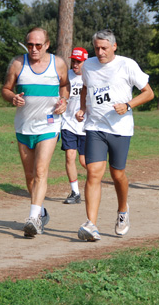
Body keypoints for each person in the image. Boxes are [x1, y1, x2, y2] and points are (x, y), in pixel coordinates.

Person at [75, 29, 154, 241]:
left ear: (114, 47)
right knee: (93, 173)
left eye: (104, 48)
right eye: (97, 48)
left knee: (117, 174)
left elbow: (149, 93)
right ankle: (91, 224)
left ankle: (122, 211)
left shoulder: (127, 65)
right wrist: (83, 108)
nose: (100, 52)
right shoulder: (88, 66)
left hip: (120, 129)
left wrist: (128, 105)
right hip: (95, 127)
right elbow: (85, 88)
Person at [1, 27, 69, 238]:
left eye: (38, 45)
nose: (34, 49)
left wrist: (64, 101)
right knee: (29, 175)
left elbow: (65, 86)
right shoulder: (18, 64)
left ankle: (32, 219)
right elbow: (5, 89)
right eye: (30, 45)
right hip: (24, 126)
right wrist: (12, 98)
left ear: (47, 45)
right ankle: (40, 211)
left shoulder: (57, 64)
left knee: (40, 171)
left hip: (49, 126)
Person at [60, 47, 88, 204]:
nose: (75, 64)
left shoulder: (91, 77)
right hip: (68, 122)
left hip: (85, 124)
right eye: (73, 61)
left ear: (85, 62)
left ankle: (94, 183)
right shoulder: (66, 76)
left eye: (79, 61)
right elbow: (61, 94)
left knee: (84, 162)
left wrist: (84, 111)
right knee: (70, 156)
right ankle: (75, 192)